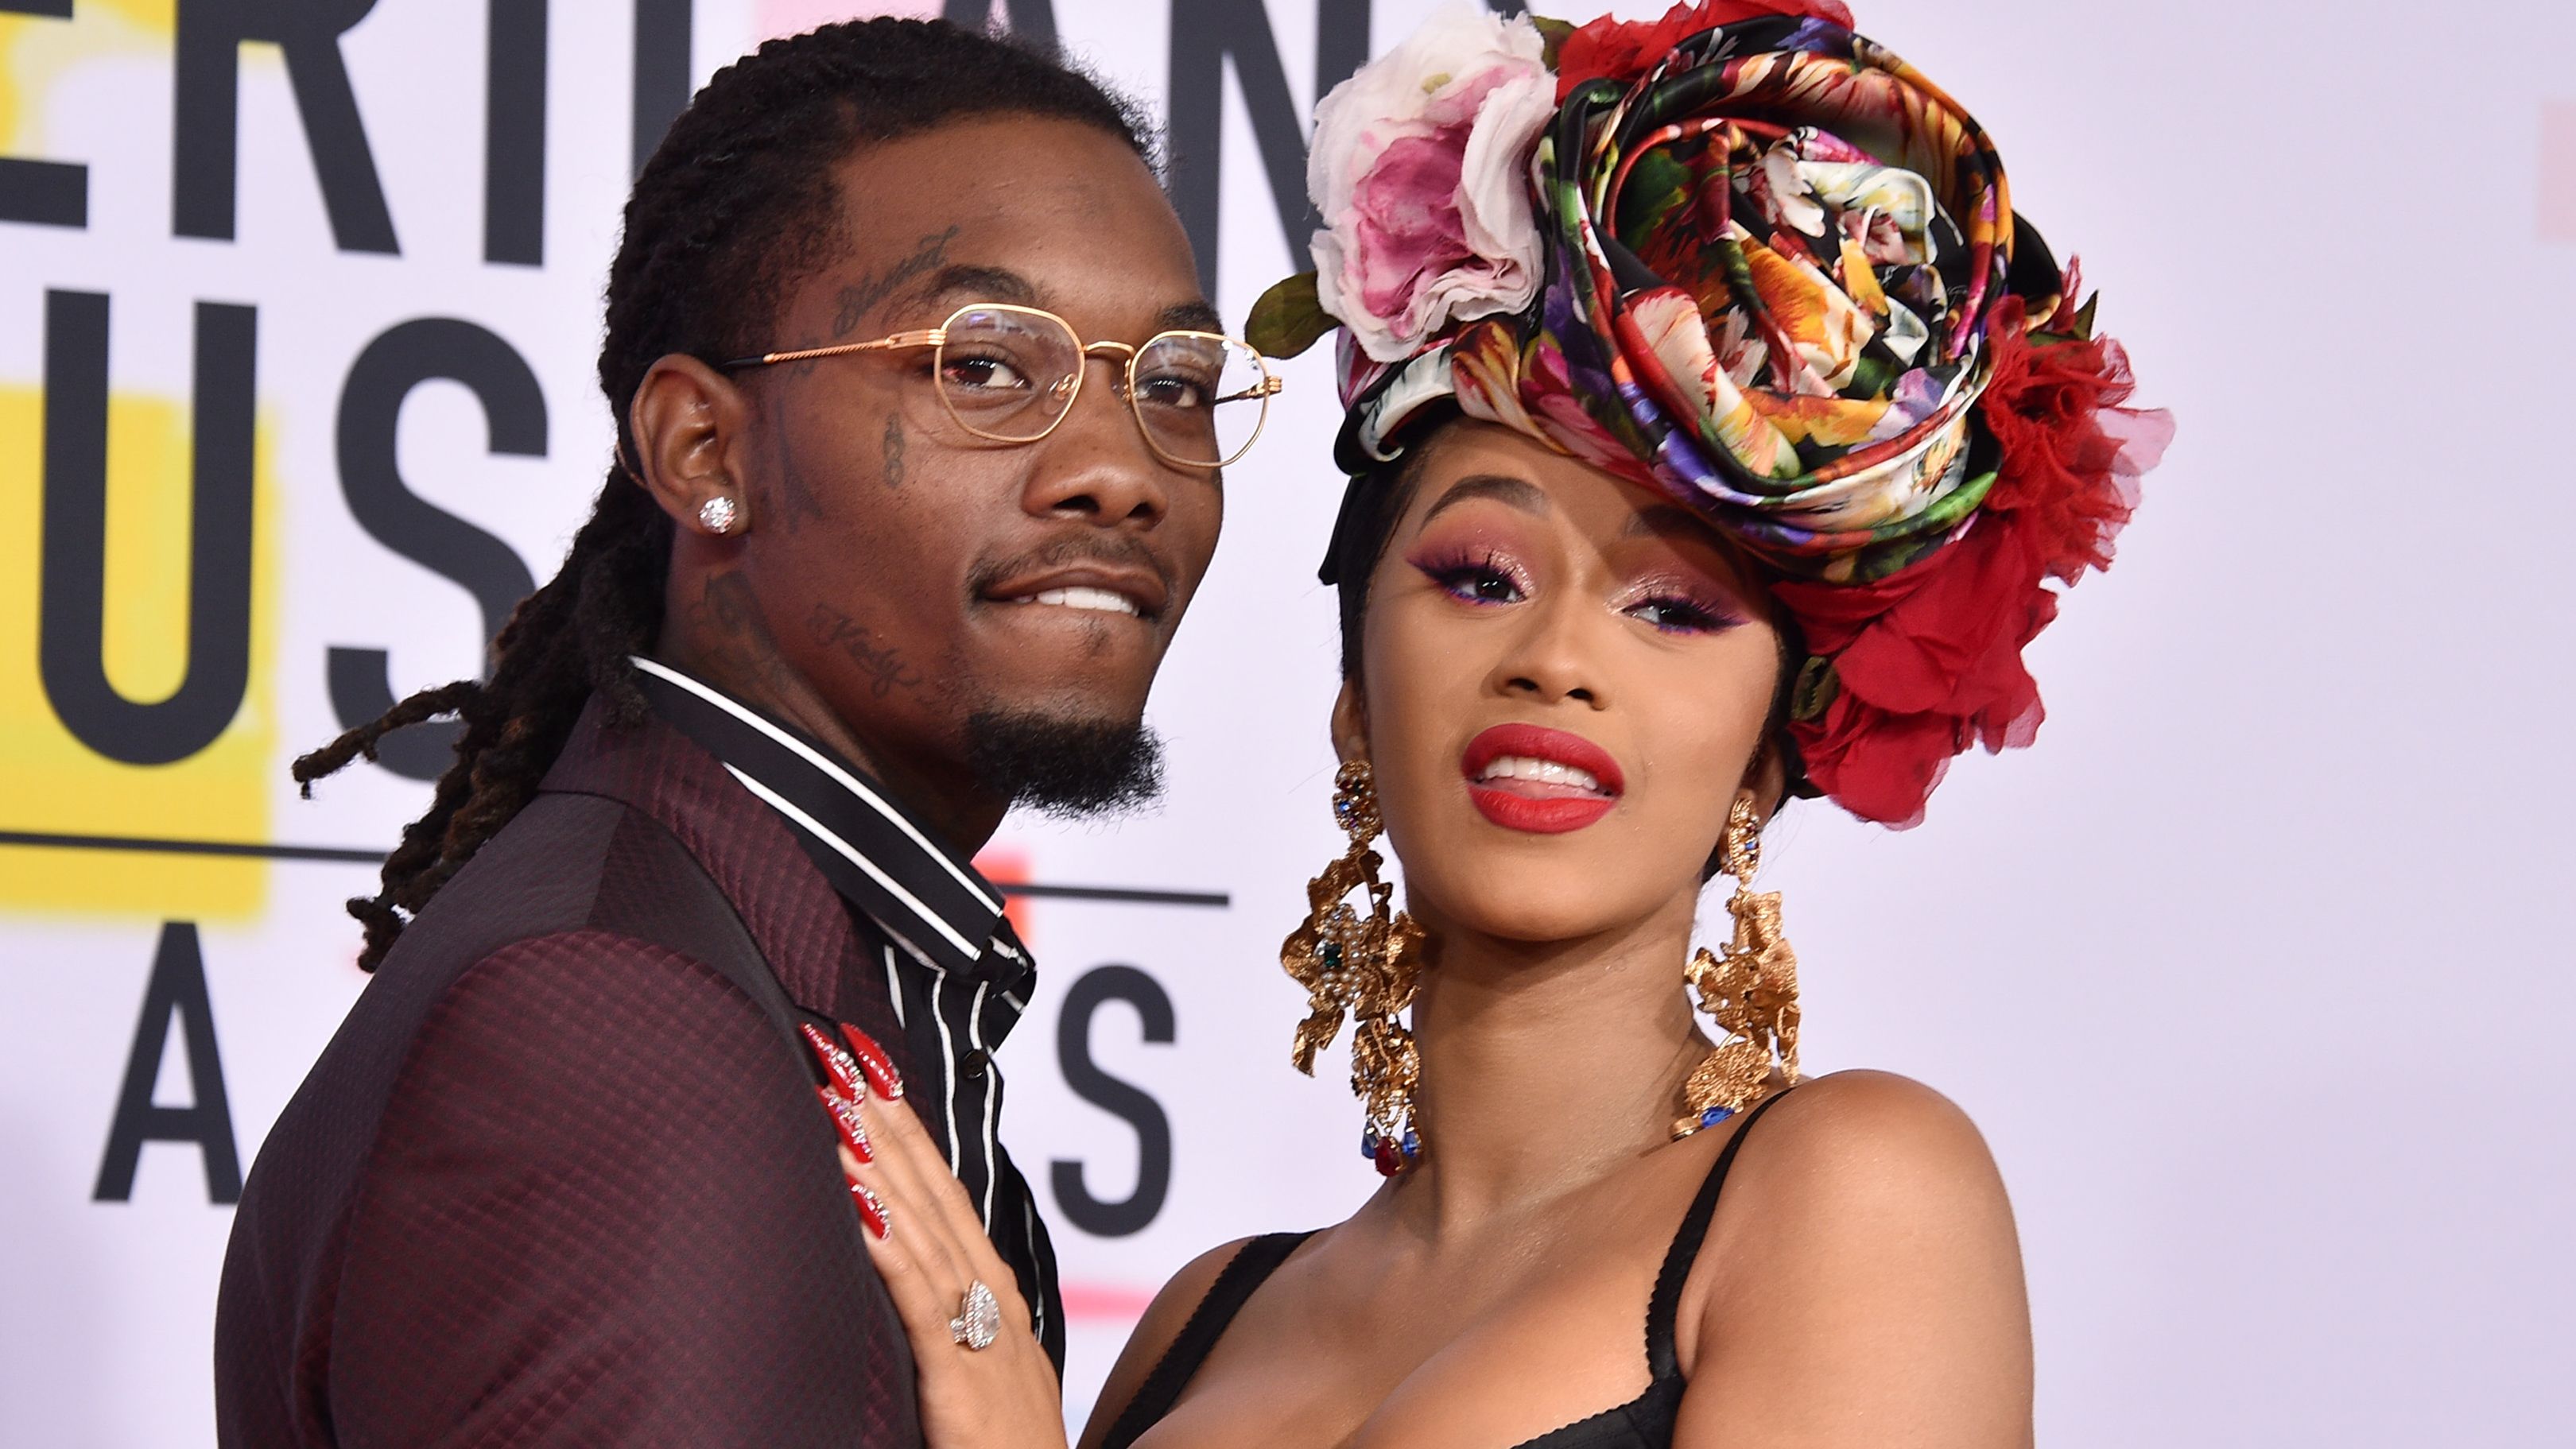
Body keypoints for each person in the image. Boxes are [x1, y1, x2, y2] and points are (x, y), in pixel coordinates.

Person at [815, 2, 2172, 1447]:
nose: (1558, 661)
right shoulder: (1203, 1317)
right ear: (1355, 700)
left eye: (1673, 611)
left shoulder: (1854, 1189)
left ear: (1768, 757)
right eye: (1479, 577)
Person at [212, 18, 1278, 1447]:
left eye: (1174, 384)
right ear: (704, 450)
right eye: (982, 366)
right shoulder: (613, 1030)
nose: (1118, 469)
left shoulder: (777, 961)